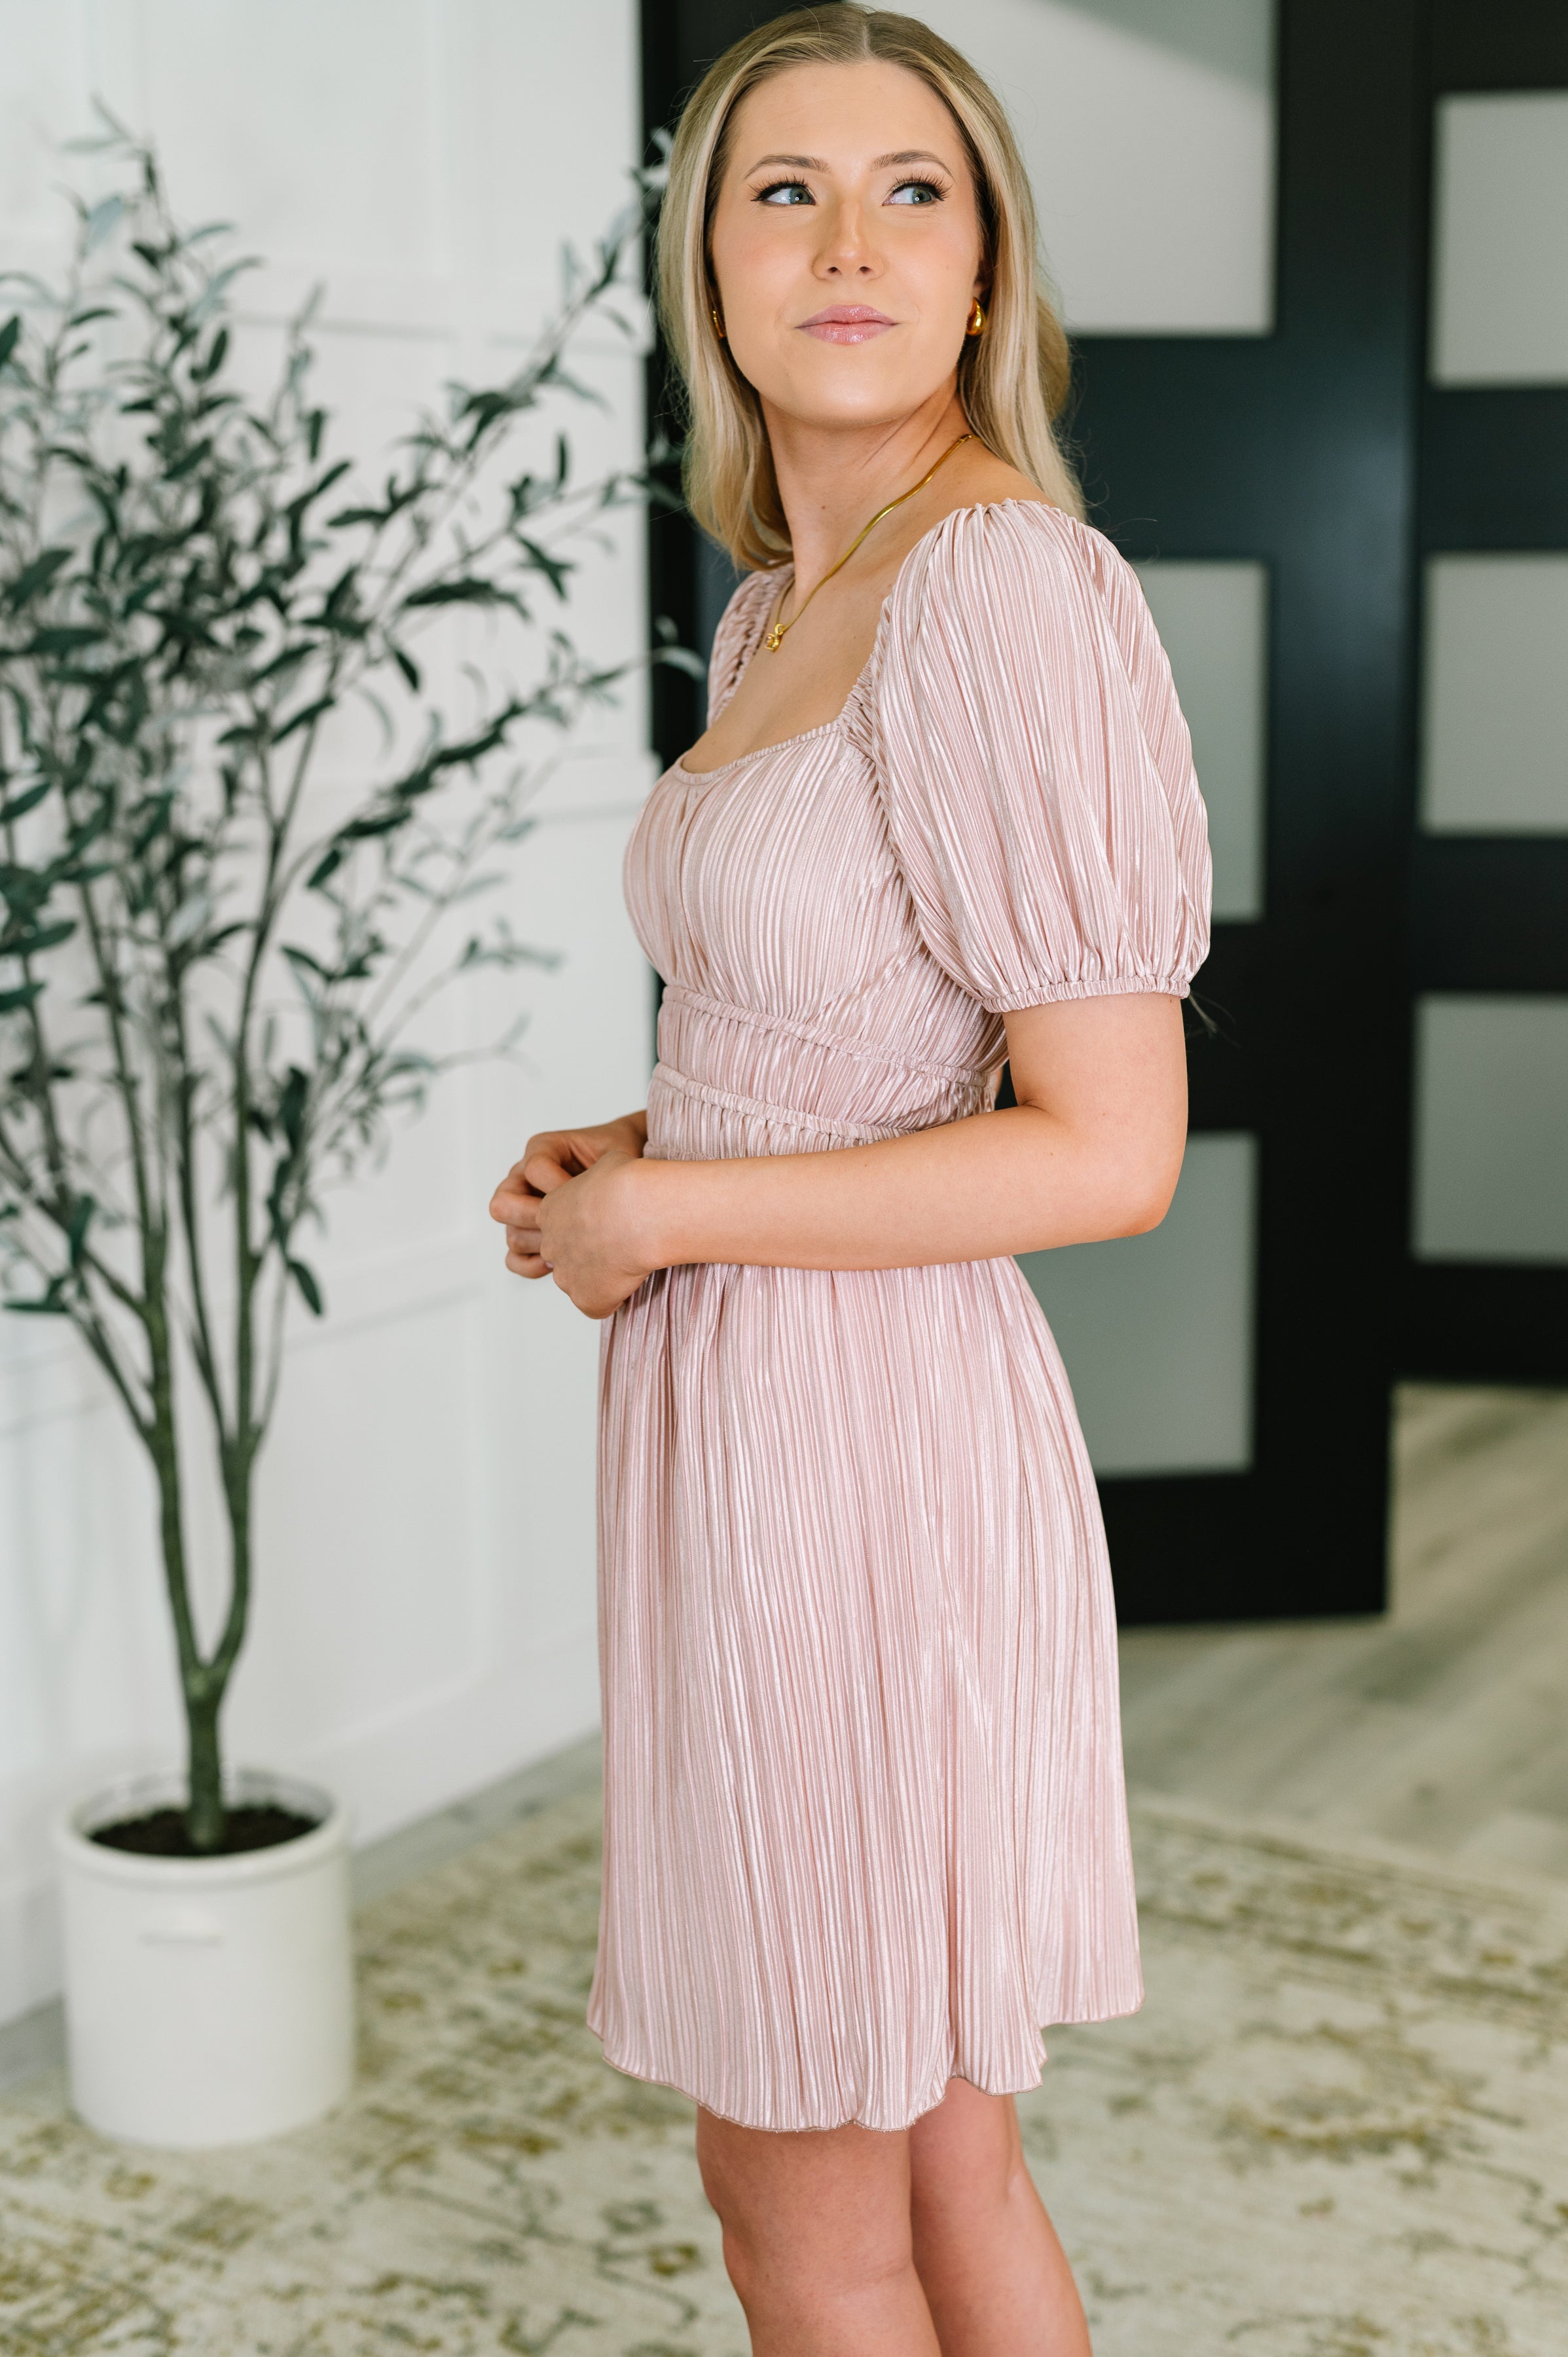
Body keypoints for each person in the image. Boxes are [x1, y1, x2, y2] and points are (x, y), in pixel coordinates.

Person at [490, 7, 1211, 2350]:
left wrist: (673, 1216)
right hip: (750, 1423)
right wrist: (642, 1146)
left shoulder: (994, 586)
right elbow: (854, 1035)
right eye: (780, 191)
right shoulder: (783, 600)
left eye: (913, 192)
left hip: (864, 1452)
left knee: (793, 2187)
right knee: (924, 2143)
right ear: (708, 266)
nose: (846, 244)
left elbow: (1109, 1148)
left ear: (986, 269)